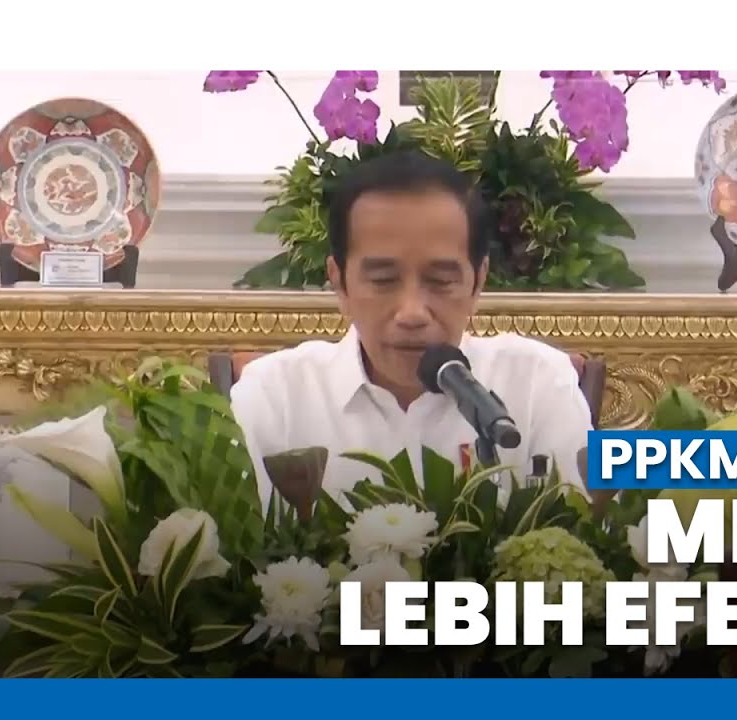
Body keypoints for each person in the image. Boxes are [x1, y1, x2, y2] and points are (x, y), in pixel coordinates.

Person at [229, 151, 593, 509]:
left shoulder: (539, 382)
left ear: (478, 282)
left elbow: (599, 530)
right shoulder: (274, 395)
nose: (412, 313)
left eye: (440, 281)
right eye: (383, 280)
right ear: (339, 283)